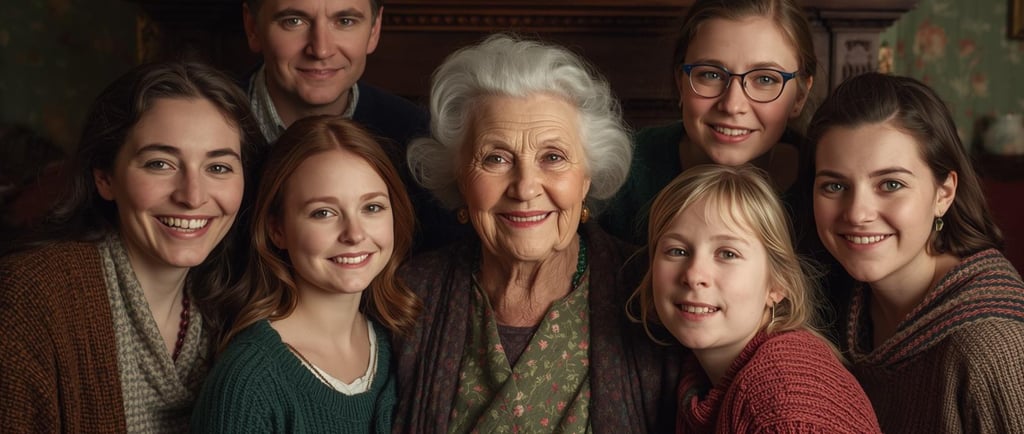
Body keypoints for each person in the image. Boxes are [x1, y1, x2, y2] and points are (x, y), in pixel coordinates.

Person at [392, 33, 679, 433]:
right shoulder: (407, 297)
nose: (525, 187)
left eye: (553, 157)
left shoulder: (651, 293)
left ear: (586, 180)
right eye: (495, 158)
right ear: (459, 178)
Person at [0, 61, 265, 431]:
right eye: (160, 163)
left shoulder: (238, 305)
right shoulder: (33, 296)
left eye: (218, 168)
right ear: (105, 178)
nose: (192, 196)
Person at [809, 72, 1024, 433]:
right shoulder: (839, 301)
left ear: (944, 194)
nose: (858, 213)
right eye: (834, 185)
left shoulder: (992, 348)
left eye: (891, 184)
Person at [191, 116, 419, 432]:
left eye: (372, 208)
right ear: (277, 230)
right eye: (323, 213)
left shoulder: (399, 343)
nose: (354, 234)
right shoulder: (249, 379)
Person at [629, 164, 881, 433]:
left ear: (777, 283)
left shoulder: (784, 403)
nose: (693, 275)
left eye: (727, 254)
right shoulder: (704, 378)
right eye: (677, 251)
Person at [600, 0, 817, 246]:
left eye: (765, 79)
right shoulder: (622, 171)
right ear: (681, 82)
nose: (732, 105)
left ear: (799, 96)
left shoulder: (822, 182)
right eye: (711, 75)